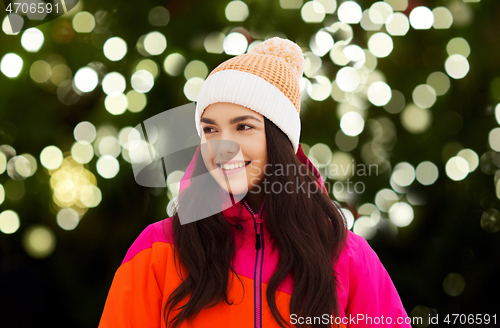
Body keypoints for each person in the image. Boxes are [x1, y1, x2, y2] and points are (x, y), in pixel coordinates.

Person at [98, 37, 412, 328]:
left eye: (243, 127)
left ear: (280, 139)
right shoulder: (158, 248)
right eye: (210, 130)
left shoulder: (346, 256)